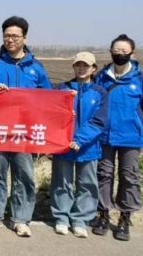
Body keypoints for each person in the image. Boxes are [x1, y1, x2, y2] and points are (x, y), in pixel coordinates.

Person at [0, 16, 51, 237]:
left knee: (24, 175)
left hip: (24, 131)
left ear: (24, 38)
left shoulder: (36, 68)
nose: (10, 40)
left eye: (15, 36)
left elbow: (48, 98)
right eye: (7, 36)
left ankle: (21, 218)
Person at [91, 34, 143, 242]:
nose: (120, 54)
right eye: (116, 51)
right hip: (105, 135)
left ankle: (125, 217)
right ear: (111, 52)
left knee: (129, 175)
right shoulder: (101, 77)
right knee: (104, 174)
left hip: (131, 136)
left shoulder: (141, 80)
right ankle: (103, 214)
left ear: (132, 53)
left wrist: (139, 126)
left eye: (124, 51)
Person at [51, 52, 109, 238]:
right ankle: (61, 218)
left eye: (86, 65)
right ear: (74, 67)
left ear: (93, 68)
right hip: (63, 144)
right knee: (62, 182)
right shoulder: (62, 88)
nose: (81, 68)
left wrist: (80, 139)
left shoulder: (100, 92)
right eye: (78, 65)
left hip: (88, 146)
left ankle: (81, 220)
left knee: (87, 184)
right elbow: (51, 113)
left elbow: (99, 120)